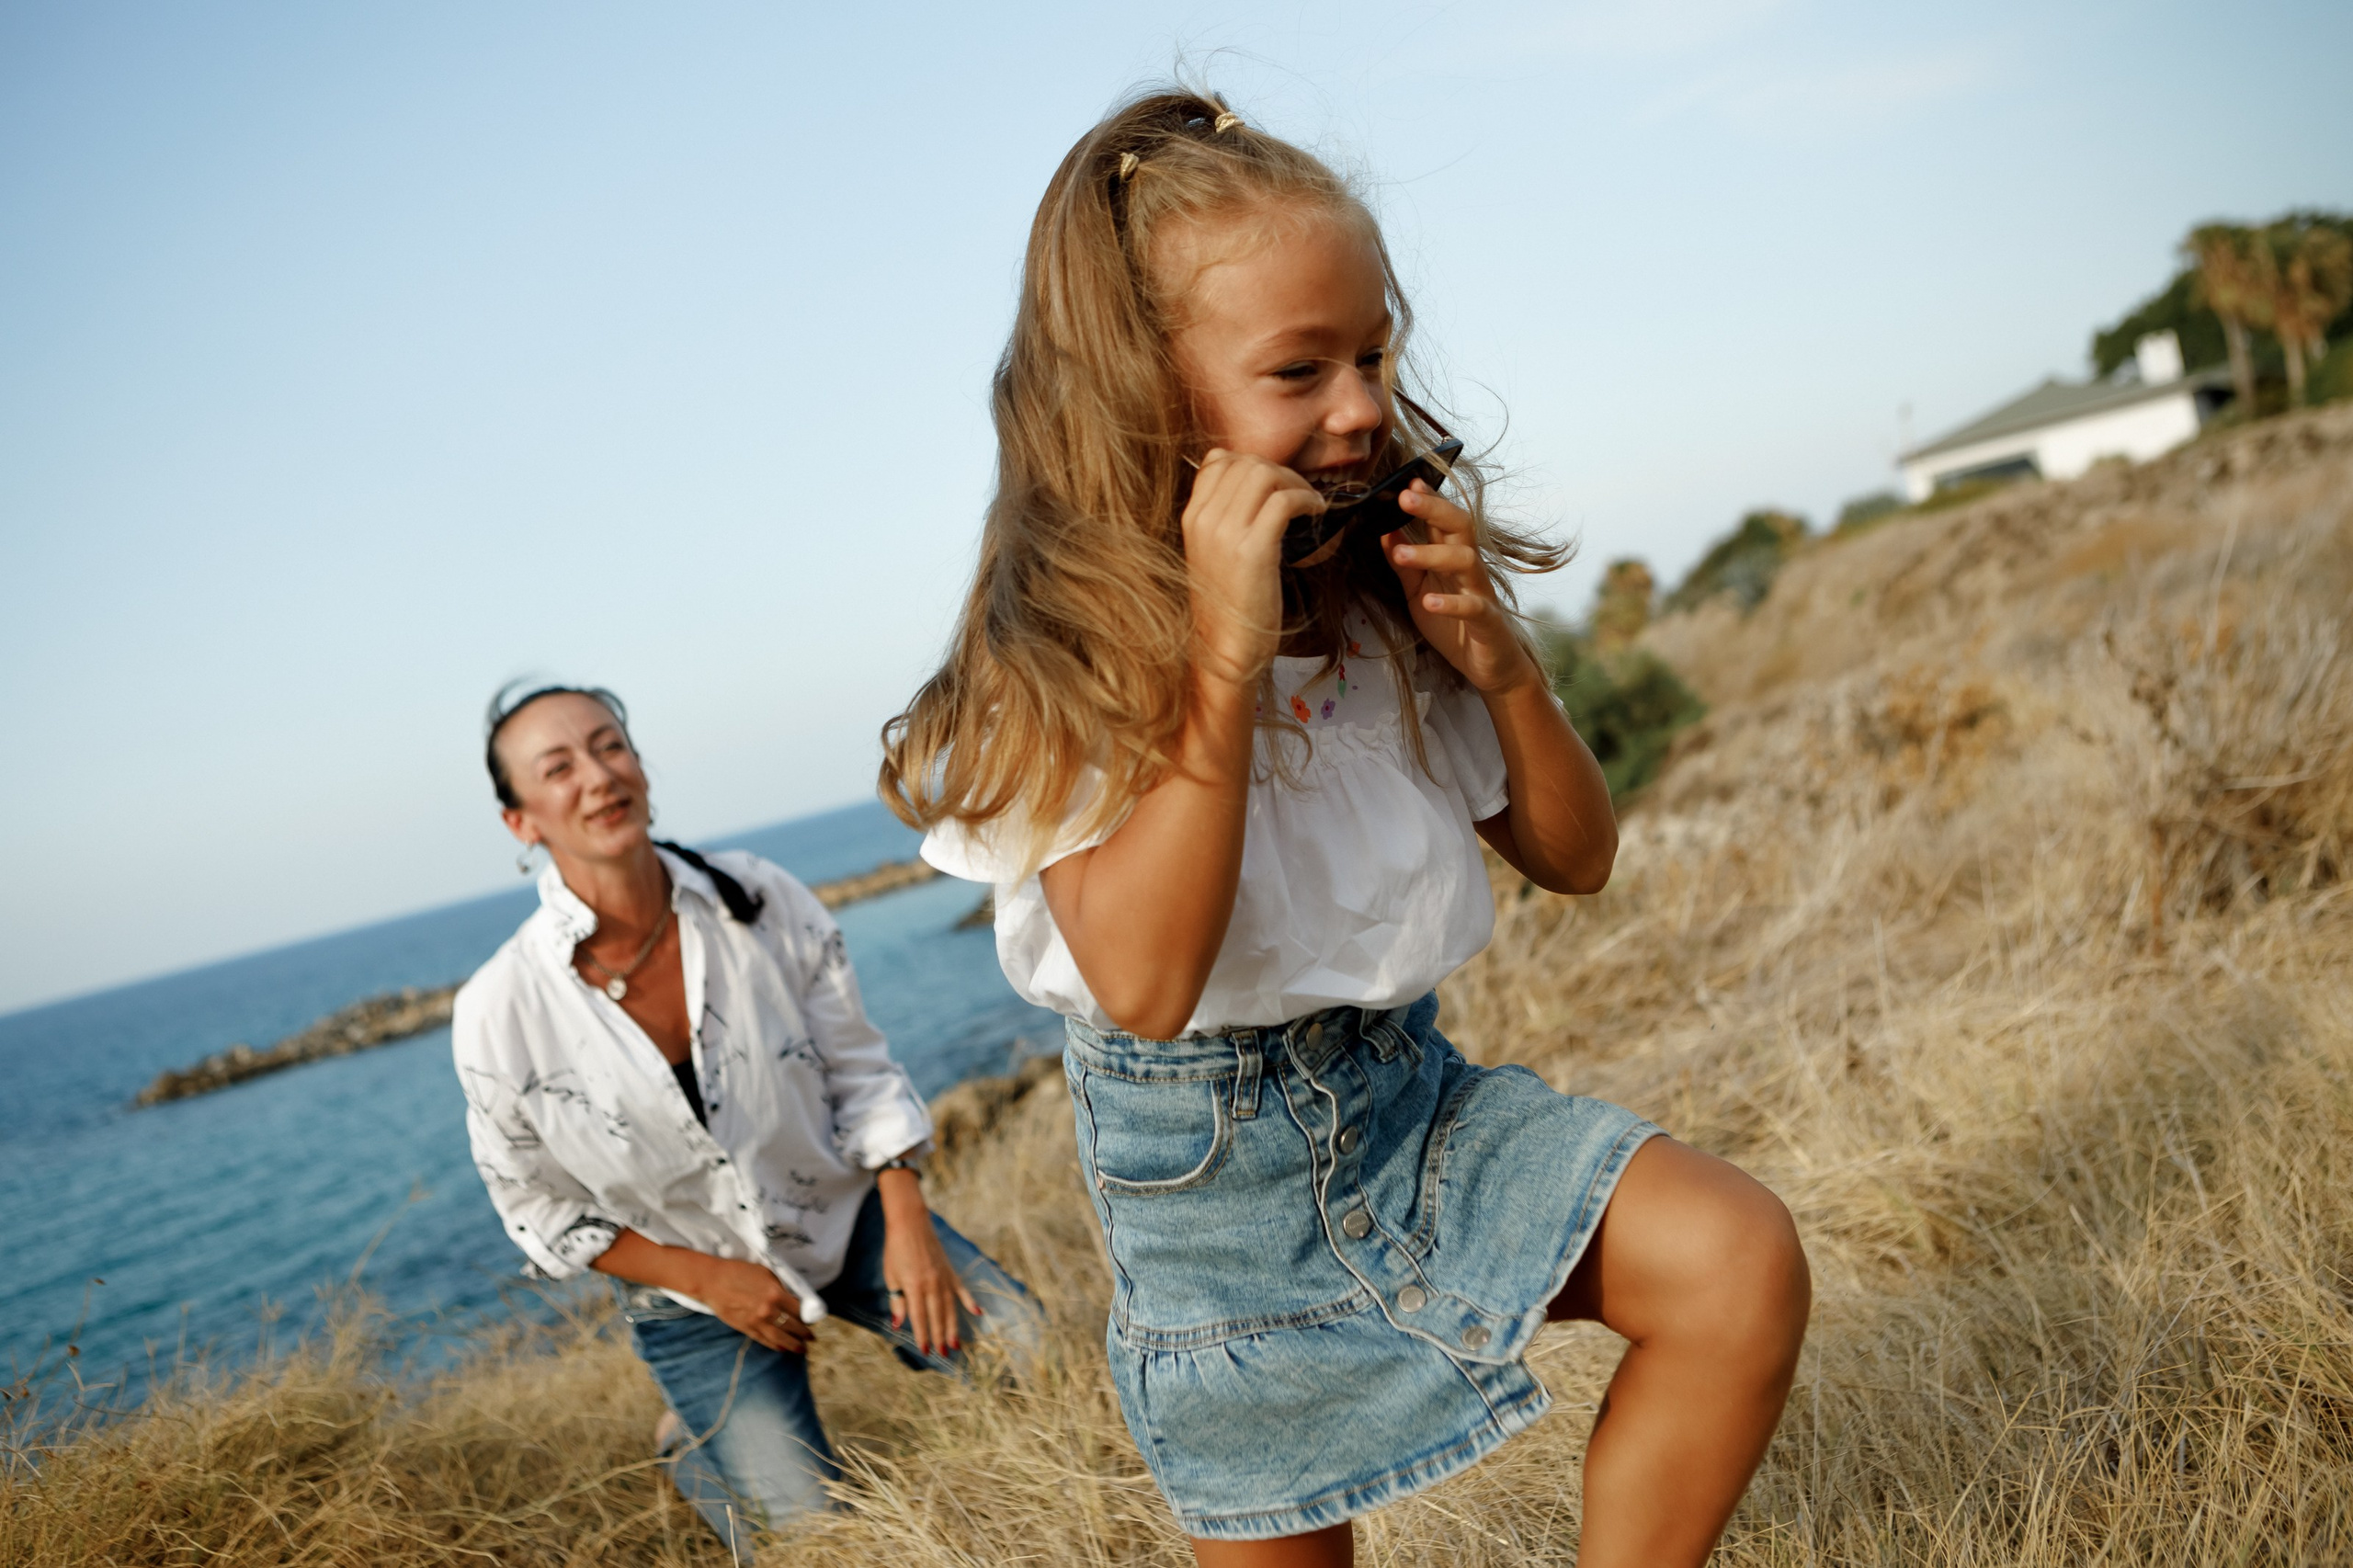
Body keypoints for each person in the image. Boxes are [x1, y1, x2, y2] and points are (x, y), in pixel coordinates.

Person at [882, 92, 1810, 1568]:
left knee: (1735, 1258)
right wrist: (1222, 668)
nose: (1363, 402)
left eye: (1372, 350)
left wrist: (1503, 665)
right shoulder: (1064, 650)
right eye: (1298, 368)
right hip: (1208, 1189)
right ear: (1147, 393)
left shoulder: (1380, 591)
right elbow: (1146, 981)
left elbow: (1578, 855)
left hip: (1406, 1097)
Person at [453, 681, 1043, 1559]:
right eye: (558, 766)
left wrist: (909, 1220)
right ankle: (691, 1447)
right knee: (821, 1543)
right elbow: (533, 1207)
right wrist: (709, 1280)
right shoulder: (500, 1008)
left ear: (640, 764)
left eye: (610, 745)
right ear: (522, 822)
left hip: (845, 1218)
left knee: (1029, 1357)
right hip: (687, 1298)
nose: (598, 776)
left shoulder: (759, 898)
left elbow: (857, 1065)